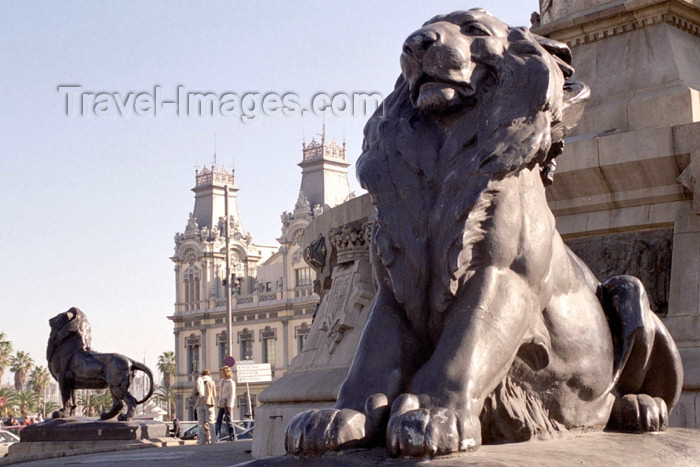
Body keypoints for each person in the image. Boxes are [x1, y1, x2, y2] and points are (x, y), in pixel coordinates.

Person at [191, 369, 217, 444]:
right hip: (209, 403)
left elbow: (193, 393)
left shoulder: (198, 381)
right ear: (209, 375)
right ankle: (213, 440)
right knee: (211, 422)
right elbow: (214, 394)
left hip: (200, 403)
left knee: (201, 422)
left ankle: (201, 440)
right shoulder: (211, 382)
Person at [215, 366, 236, 441]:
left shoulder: (231, 382)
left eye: (222, 372)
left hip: (227, 403)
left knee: (228, 420)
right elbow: (216, 387)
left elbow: (232, 394)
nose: (221, 374)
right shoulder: (221, 381)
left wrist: (230, 404)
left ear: (226, 372)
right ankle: (216, 436)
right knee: (218, 420)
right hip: (221, 403)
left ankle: (232, 436)